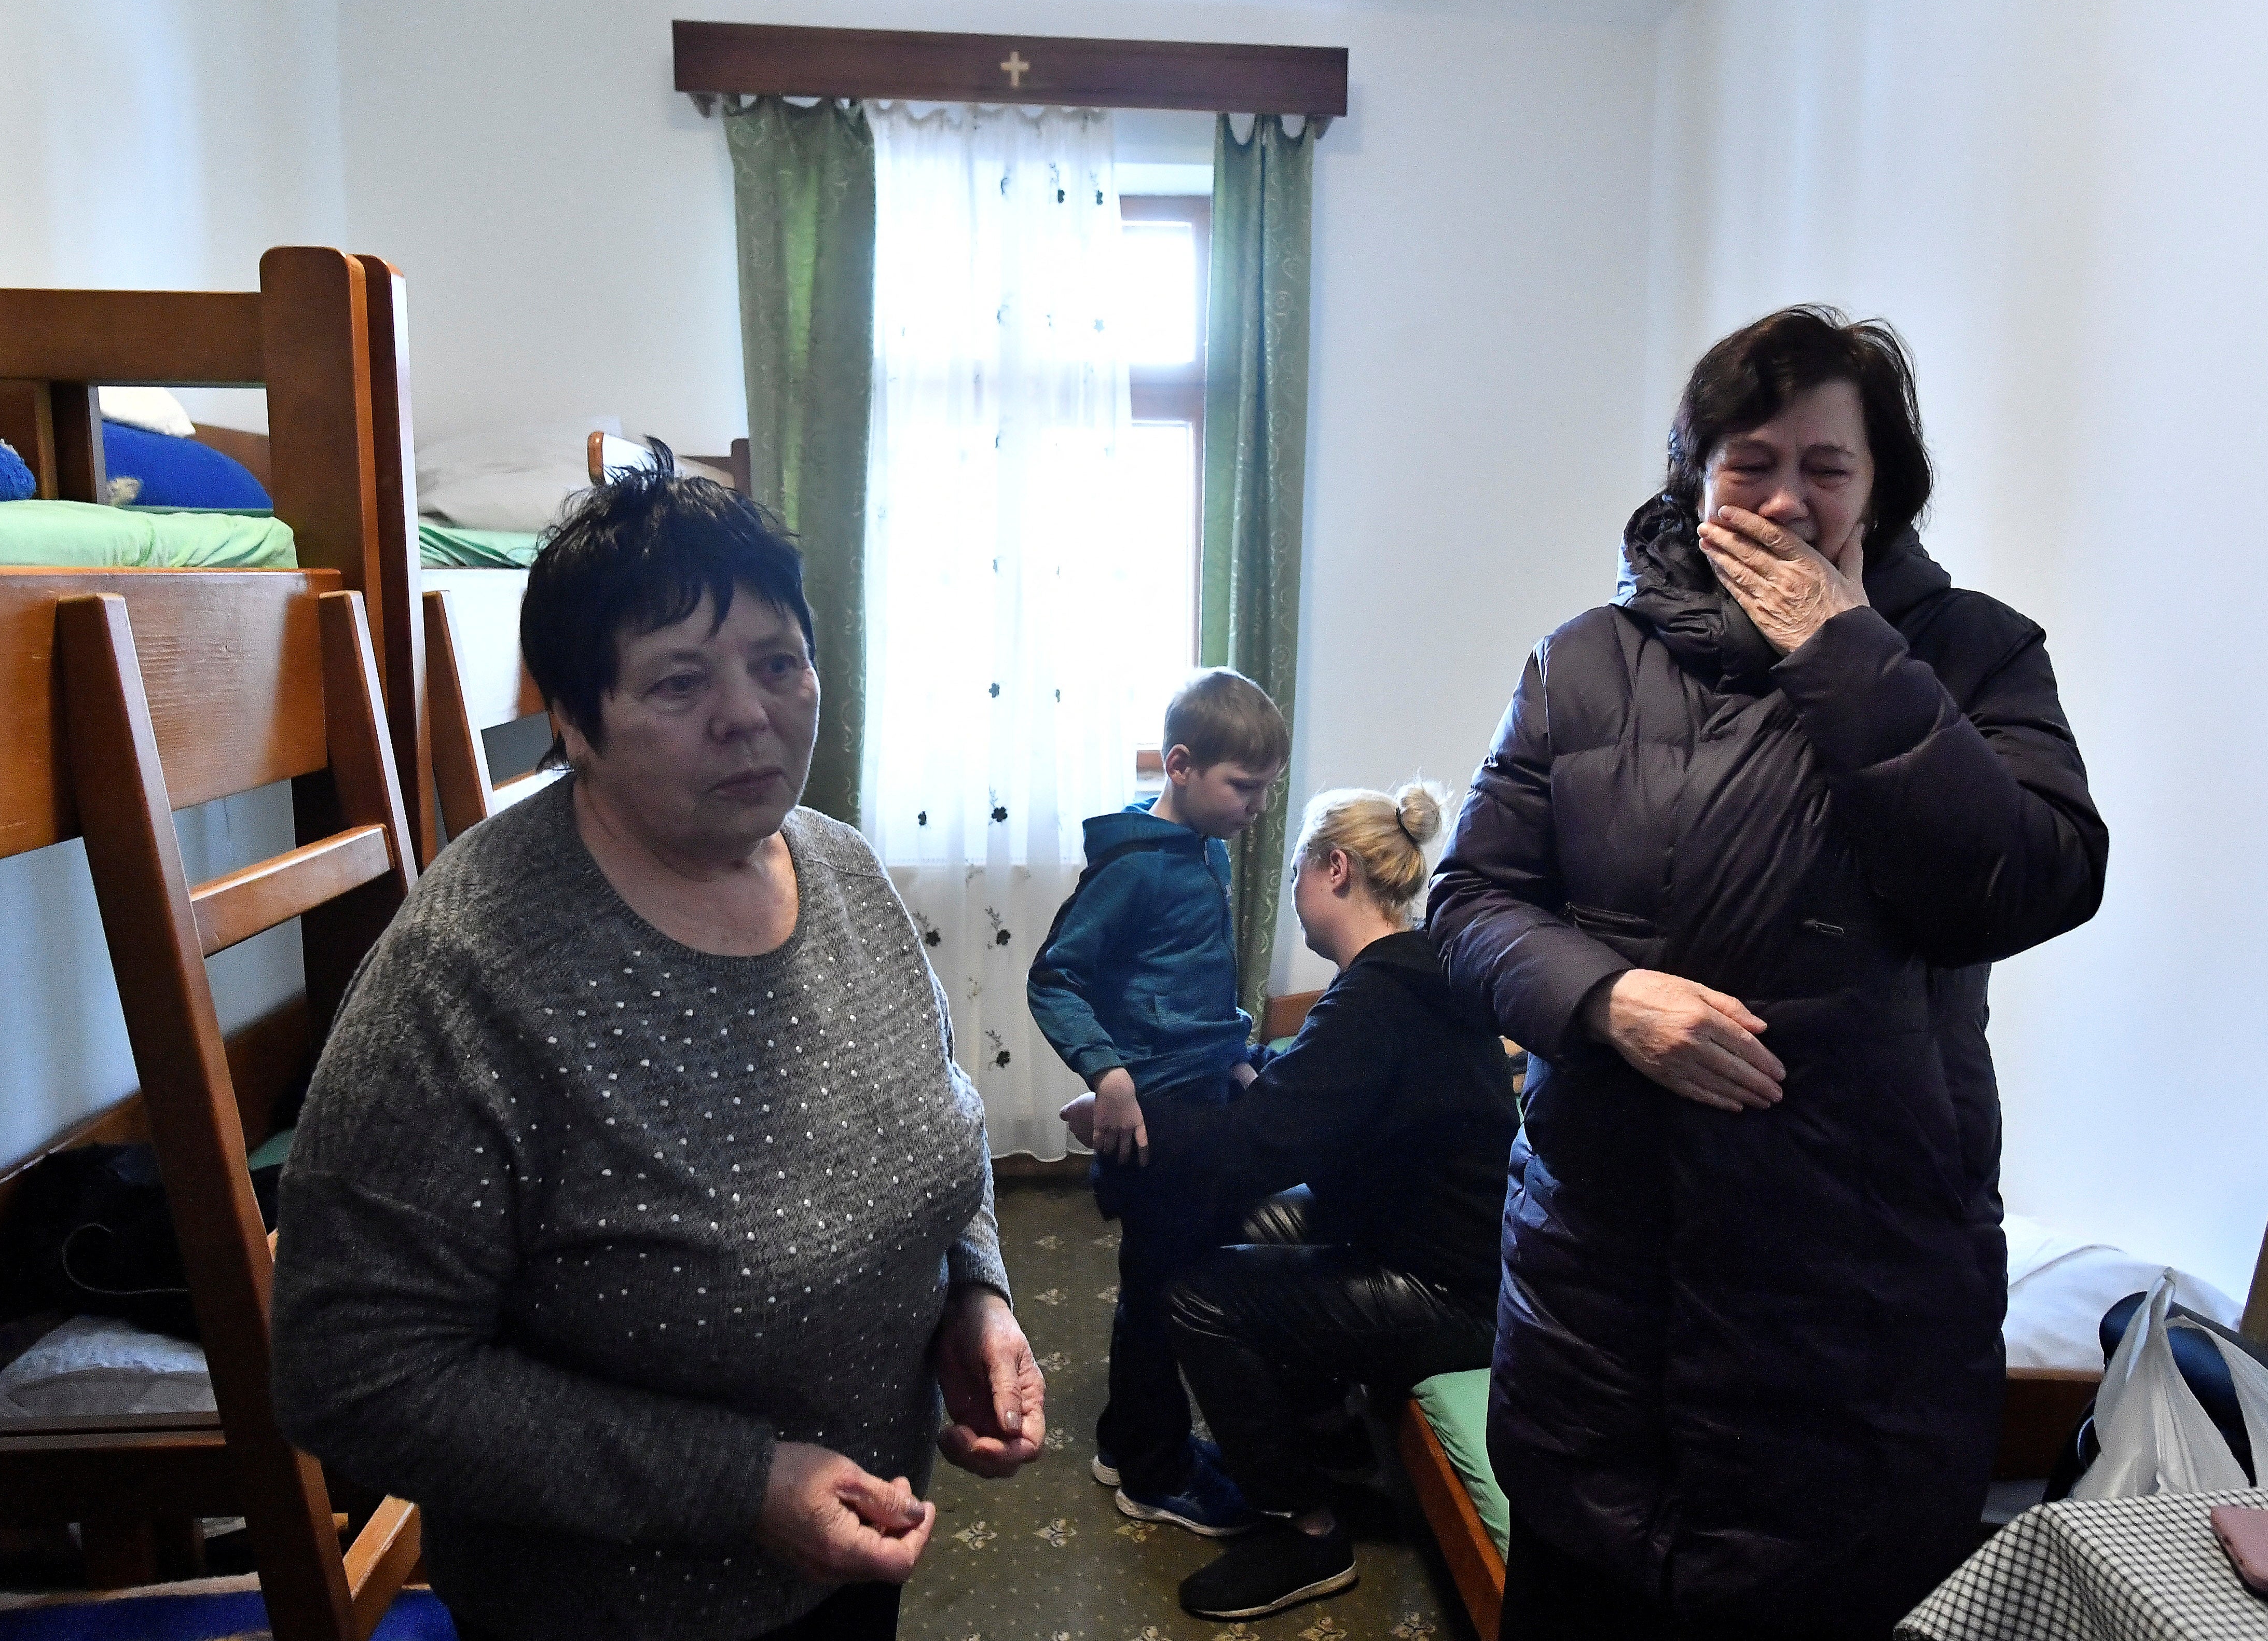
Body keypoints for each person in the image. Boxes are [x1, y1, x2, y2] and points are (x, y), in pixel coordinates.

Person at [271, 457, 1044, 1641]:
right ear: (574, 721)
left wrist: (972, 1293)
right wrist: (734, 1483)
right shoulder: (469, 972)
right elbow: (352, 1370)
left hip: (850, 1557)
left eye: (779, 663)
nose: (749, 713)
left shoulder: (842, 869)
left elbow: (937, 1121)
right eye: (678, 681)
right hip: (621, 1608)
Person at [1429, 307, 2109, 1641]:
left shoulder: (1974, 652)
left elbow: (2032, 878)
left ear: (1883, 483)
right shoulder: (1580, 660)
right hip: (1599, 1297)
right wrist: (1606, 998)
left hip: (1858, 1320)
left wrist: (1842, 651)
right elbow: (1468, 899)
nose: (1787, 498)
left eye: (1827, 465)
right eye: (1750, 462)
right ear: (1693, 473)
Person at [1060, 782, 1518, 1623]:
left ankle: (1308, 1529)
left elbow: (1251, 1150)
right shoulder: (1402, 977)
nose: (1296, 883)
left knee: (1198, 1295)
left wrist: (1122, 1121)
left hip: (1453, 1292)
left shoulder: (1377, 1001)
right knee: (1221, 1222)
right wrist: (1255, 1066)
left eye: (1302, 865)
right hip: (1413, 1237)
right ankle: (1320, 1422)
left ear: (1333, 868)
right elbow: (1316, 1089)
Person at [1025, 668, 1289, 1536]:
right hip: (1157, 1118)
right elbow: (1055, 977)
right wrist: (1107, 1071)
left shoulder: (1206, 847)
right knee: (1165, 1293)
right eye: (1243, 787)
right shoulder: (1135, 869)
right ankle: (1153, 1469)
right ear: (1180, 765)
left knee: (1162, 1282)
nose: (1255, 807)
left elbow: (1194, 984)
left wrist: (1240, 1052)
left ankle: (1126, 1440)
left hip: (1200, 1089)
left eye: (1266, 789)